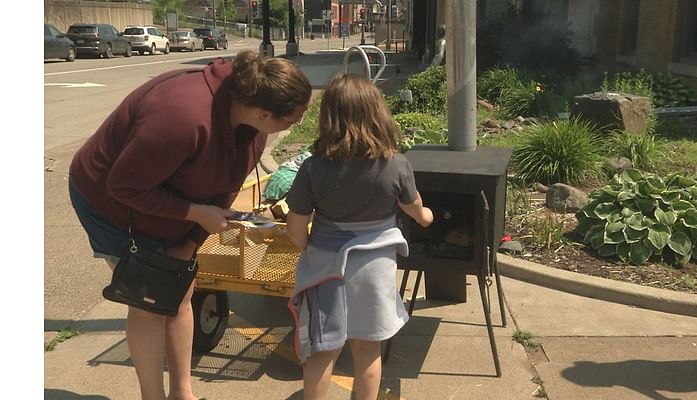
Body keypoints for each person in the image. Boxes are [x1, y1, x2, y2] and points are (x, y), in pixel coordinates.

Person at [68, 50, 312, 400]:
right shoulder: (181, 116)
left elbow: (225, 190)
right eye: (294, 120)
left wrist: (191, 241)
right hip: (112, 203)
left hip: (166, 199)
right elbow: (123, 186)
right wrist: (194, 213)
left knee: (182, 290)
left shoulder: (253, 130)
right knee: (148, 302)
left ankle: (182, 393)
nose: (293, 126)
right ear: (264, 112)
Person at [285, 73, 434, 400]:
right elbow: (417, 210)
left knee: (323, 351)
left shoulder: (312, 168)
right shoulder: (395, 164)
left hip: (327, 267)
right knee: (367, 350)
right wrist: (427, 217)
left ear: (329, 117)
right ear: (377, 113)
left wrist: (309, 248)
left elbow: (295, 228)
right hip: (375, 269)